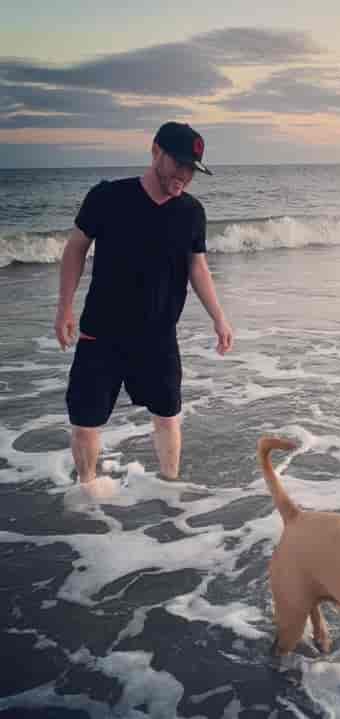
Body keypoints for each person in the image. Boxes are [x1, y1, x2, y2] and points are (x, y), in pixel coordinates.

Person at [55, 121, 233, 496]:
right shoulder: (107, 197)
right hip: (101, 333)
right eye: (179, 164)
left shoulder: (191, 212)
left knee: (168, 417)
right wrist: (64, 308)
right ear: (155, 152)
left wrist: (219, 318)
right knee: (86, 422)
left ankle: (171, 492)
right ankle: (88, 494)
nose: (184, 175)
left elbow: (197, 266)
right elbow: (75, 249)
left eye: (192, 169)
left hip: (158, 336)